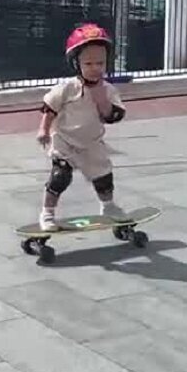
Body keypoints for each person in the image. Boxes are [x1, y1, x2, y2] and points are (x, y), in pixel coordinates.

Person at [35, 23, 130, 232]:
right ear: (77, 64)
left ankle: (108, 207)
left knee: (104, 177)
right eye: (88, 63)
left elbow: (114, 116)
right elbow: (49, 107)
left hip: (92, 143)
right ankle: (47, 214)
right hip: (65, 141)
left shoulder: (108, 90)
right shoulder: (68, 88)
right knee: (60, 177)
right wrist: (43, 130)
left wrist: (103, 103)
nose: (95, 68)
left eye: (100, 63)